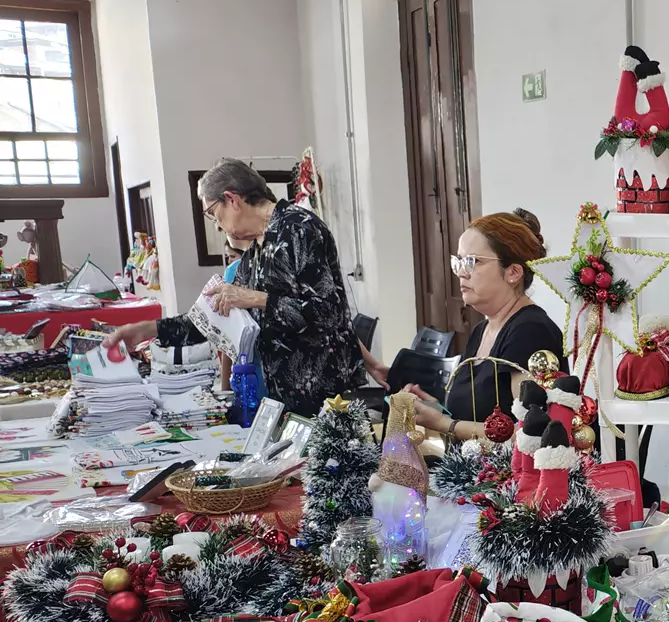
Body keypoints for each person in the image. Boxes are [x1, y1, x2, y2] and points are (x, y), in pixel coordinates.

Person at [105, 158, 365, 417]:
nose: (217, 225)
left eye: (213, 214)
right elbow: (211, 322)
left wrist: (254, 298)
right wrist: (146, 330)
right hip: (281, 395)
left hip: (324, 395)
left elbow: (328, 312)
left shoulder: (300, 228)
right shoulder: (253, 255)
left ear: (232, 199)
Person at [371, 210, 565, 440]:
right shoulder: (482, 330)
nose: (462, 273)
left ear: (513, 272)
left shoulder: (530, 332)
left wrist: (445, 423)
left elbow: (532, 433)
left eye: (473, 262)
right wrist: (433, 408)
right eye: (459, 262)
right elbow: (474, 414)